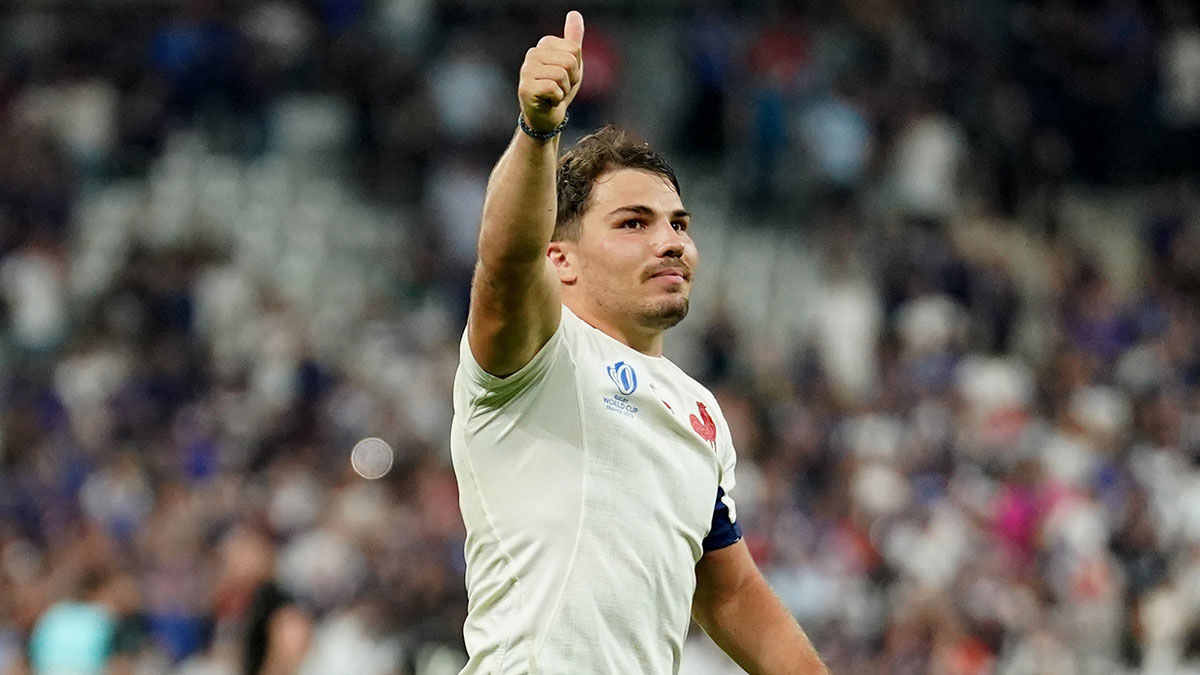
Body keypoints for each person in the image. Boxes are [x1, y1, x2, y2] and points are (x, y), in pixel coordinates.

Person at [449, 10, 828, 674]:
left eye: (679, 223)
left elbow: (733, 593)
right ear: (560, 258)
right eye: (634, 222)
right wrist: (539, 130)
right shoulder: (537, 355)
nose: (672, 241)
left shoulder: (699, 414)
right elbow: (506, 265)